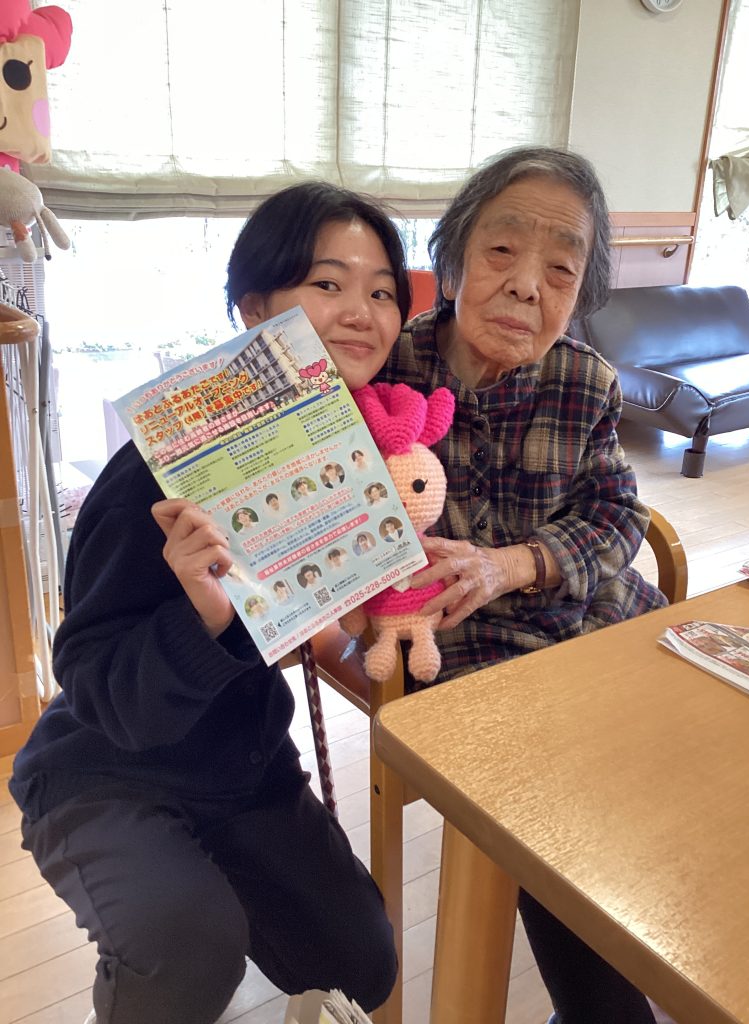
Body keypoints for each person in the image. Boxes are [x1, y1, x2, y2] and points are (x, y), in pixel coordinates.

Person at [9, 180, 411, 1024]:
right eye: (328, 284)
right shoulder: (151, 475)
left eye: (383, 293)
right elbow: (94, 681)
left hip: (241, 766)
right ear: (254, 307)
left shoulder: (346, 452)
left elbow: (323, 618)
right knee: (190, 947)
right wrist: (202, 616)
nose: (361, 313)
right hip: (106, 773)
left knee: (361, 960)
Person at [377, 146, 667, 1024]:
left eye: (561, 270)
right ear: (454, 259)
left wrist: (515, 562)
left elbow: (618, 512)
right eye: (502, 251)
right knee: (556, 810)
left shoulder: (585, 378)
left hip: (597, 618)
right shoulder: (387, 368)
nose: (527, 286)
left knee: (701, 758)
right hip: (467, 645)